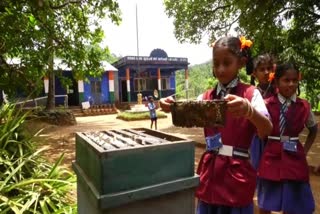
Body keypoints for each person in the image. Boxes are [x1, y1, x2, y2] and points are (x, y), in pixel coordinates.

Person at [196, 36, 273, 214]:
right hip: (211, 172)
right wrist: (171, 106)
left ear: (241, 62)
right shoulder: (205, 97)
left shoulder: (250, 94)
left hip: (237, 175)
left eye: (227, 63)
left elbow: (267, 129)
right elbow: (187, 112)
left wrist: (249, 111)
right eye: (216, 64)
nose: (220, 69)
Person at [257, 63, 318, 214]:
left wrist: (304, 151)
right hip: (271, 156)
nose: (291, 84)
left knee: (293, 203)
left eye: (294, 80)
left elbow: (313, 129)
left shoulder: (304, 106)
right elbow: (259, 131)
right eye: (286, 80)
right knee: (266, 202)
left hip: (295, 157)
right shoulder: (266, 105)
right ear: (277, 82)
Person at [250, 54, 277, 169]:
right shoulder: (251, 94)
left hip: (275, 141)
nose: (266, 72)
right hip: (256, 141)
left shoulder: (279, 93)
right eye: (262, 69)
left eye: (269, 68)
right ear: (254, 73)